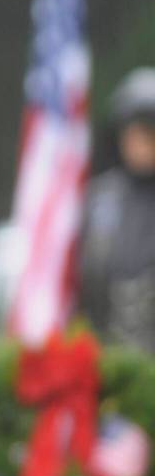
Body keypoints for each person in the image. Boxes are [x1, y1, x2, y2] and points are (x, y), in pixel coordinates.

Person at [79, 66, 155, 354]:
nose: (139, 144)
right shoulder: (101, 198)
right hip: (107, 355)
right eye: (133, 133)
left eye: (148, 133)